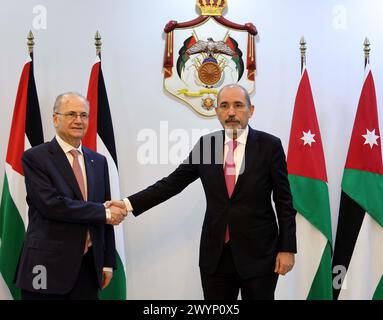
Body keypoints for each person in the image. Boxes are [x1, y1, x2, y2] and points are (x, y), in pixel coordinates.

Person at [111, 84, 296, 300]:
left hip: (259, 255)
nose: (231, 112)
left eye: (238, 105)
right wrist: (127, 204)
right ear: (217, 112)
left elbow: (284, 201)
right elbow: (172, 183)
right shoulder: (207, 145)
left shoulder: (270, 145)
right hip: (215, 257)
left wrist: (287, 248)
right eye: (224, 106)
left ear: (250, 110)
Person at [15, 92, 126, 300]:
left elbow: (105, 210)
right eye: (71, 114)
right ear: (55, 118)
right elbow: (52, 205)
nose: (78, 120)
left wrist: (107, 260)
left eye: (84, 115)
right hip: (46, 267)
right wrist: (104, 211)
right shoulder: (35, 157)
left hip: (88, 267)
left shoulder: (98, 161)